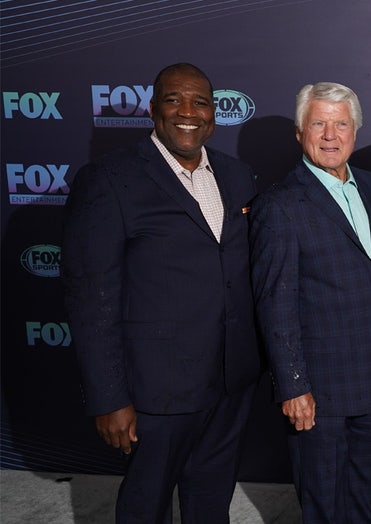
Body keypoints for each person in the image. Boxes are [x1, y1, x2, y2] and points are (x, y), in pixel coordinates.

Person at [61, 63, 262, 523]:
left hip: (230, 382)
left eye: (201, 102)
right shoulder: (109, 180)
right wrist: (110, 398)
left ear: (214, 113)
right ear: (153, 109)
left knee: (212, 502)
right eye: (175, 100)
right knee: (146, 507)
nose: (188, 112)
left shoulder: (237, 175)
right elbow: (91, 299)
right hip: (155, 393)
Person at [249, 82, 371, 523]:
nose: (331, 135)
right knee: (323, 503)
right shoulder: (279, 204)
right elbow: (274, 303)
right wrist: (294, 384)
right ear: (300, 133)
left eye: (341, 124)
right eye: (318, 123)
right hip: (319, 390)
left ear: (355, 131)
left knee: (364, 495)